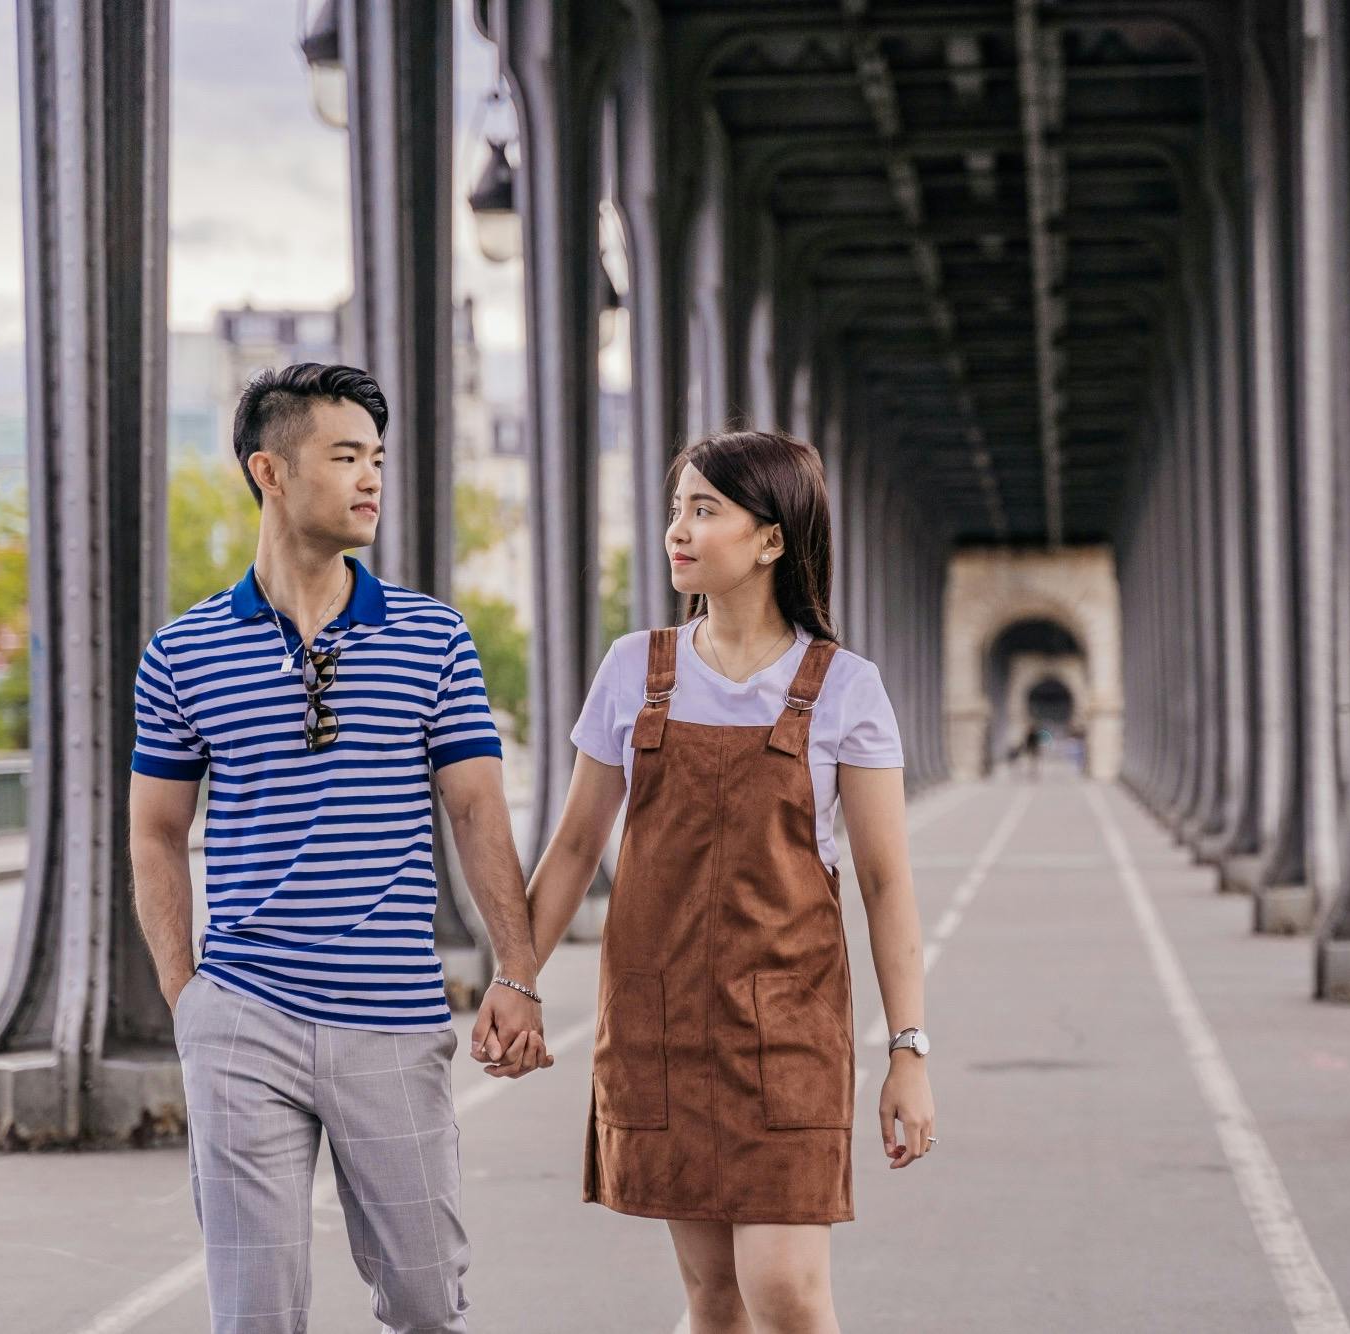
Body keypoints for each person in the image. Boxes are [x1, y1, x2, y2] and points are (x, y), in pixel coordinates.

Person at [127, 363, 547, 1334]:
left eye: (378, 459)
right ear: (269, 471)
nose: (371, 479)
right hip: (243, 1018)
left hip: (391, 1017)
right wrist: (188, 999)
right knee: (255, 1314)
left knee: (426, 1301)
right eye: (346, 456)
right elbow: (155, 830)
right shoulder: (182, 652)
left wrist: (516, 970)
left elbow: (477, 810)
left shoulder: (433, 637)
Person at [522, 430, 937, 1334]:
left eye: (705, 510)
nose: (678, 529)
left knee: (785, 1290)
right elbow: (575, 845)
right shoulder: (634, 669)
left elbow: (884, 881)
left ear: (772, 539)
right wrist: (517, 982)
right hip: (661, 1028)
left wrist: (908, 1049)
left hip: (786, 1032)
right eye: (677, 508)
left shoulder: (846, 688)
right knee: (713, 1299)